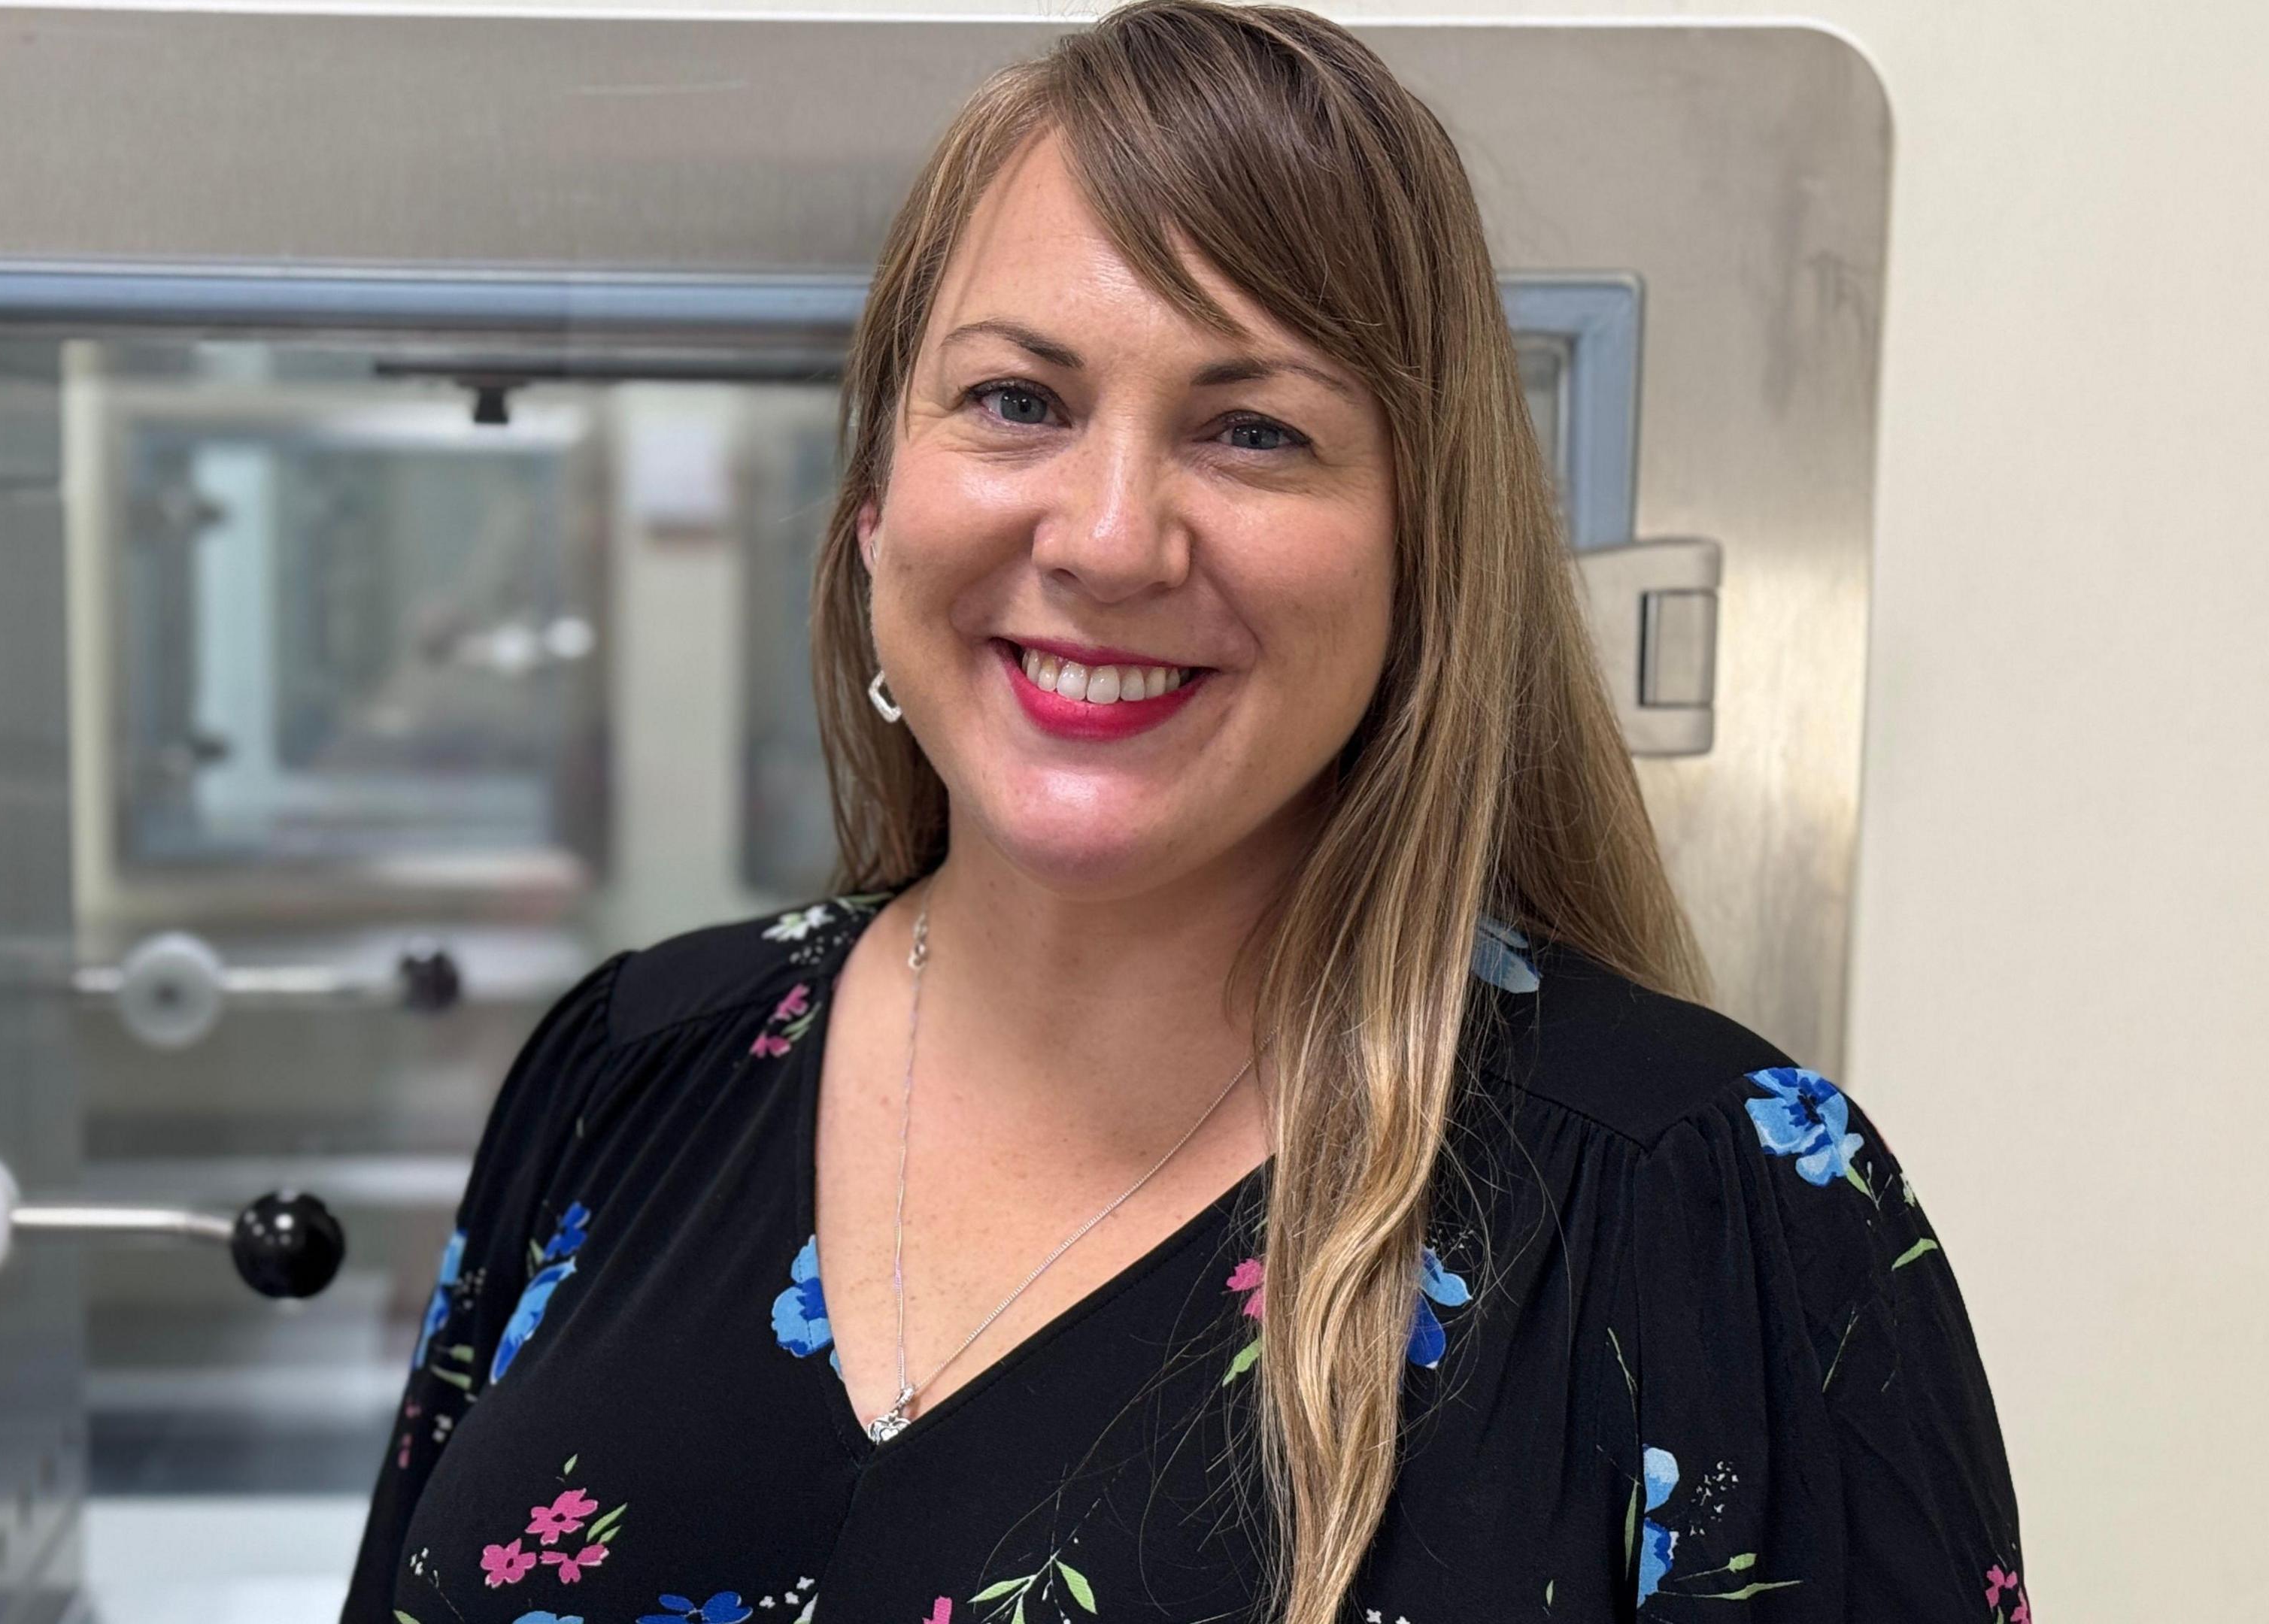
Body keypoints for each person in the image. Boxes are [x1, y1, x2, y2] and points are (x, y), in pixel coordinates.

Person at [340, 3, 2024, 1620]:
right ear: (873, 508)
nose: (1110, 538)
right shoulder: (631, 1071)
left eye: (1253, 430)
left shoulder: (1713, 1224)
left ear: (1422, 564)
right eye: (1018, 402)